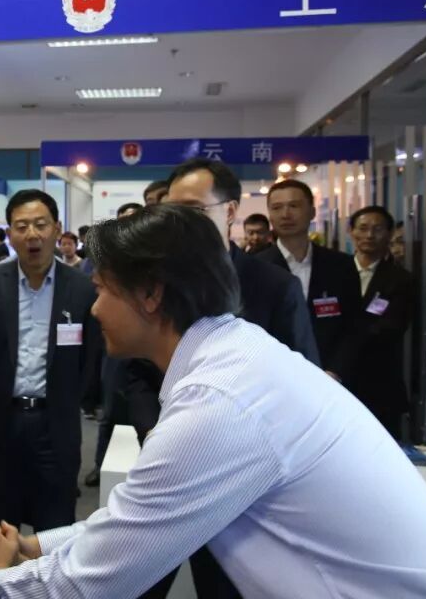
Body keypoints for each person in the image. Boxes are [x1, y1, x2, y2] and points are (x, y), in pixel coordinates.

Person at [0, 204, 426, 599]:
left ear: (150, 294)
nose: (93, 310)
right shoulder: (234, 354)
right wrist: (35, 545)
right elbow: (140, 518)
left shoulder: (220, 402)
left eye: (102, 290)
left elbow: (96, 582)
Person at [129, 159, 320, 599]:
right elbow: (135, 372)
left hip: (245, 484)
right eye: (172, 211)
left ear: (230, 211)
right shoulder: (155, 282)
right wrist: (153, 430)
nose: (180, 224)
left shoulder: (273, 285)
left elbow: (302, 382)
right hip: (170, 468)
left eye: (194, 211)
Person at [0, 190, 102, 532]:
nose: (32, 234)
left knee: (55, 526)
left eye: (41, 224)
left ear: (57, 228)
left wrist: (73, 398)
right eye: (22, 226)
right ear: (10, 233)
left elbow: (91, 357)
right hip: (1, 423)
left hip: (55, 424)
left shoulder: (82, 288)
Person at [258, 179, 362, 383]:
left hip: (331, 379)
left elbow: (354, 325)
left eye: (294, 206)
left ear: (312, 212)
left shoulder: (341, 265)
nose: (285, 214)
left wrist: (335, 371)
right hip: (275, 378)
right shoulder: (256, 267)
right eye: (277, 208)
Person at [83, 201, 143, 488]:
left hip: (146, 350)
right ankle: (100, 464)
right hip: (113, 346)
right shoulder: (103, 261)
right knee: (109, 411)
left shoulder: (154, 262)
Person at [349, 206, 416, 439]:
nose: (369, 235)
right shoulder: (335, 271)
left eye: (377, 229)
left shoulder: (401, 279)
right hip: (337, 381)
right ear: (351, 232)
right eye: (363, 228)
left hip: (380, 382)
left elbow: (393, 326)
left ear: (389, 234)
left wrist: (347, 341)